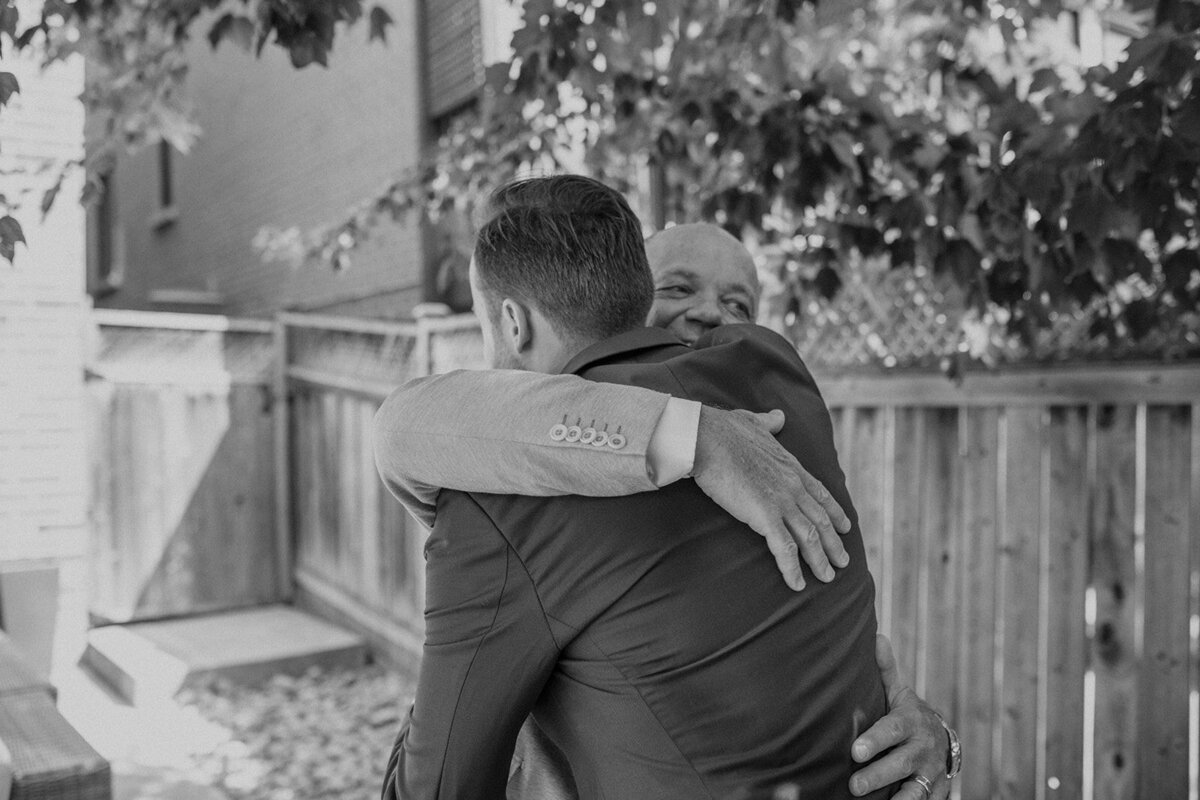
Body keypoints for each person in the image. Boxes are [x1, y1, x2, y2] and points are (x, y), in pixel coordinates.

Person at [377, 175, 948, 799]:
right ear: (633, 293)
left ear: (512, 323)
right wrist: (692, 434)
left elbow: (434, 788)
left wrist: (937, 739)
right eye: (679, 288)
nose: (707, 316)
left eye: (738, 306)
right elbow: (411, 423)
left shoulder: (502, 502)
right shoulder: (777, 384)